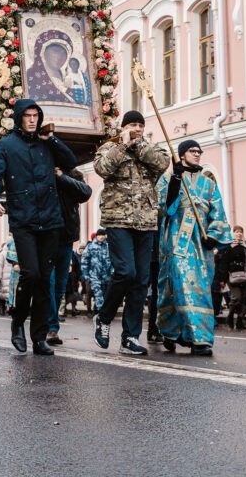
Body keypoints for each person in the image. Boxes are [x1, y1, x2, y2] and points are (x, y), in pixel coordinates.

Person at [0, 99, 77, 356]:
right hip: (23, 220)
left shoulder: (47, 143)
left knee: (45, 279)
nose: (33, 120)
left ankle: (39, 337)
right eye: (27, 115)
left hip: (50, 219)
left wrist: (53, 140)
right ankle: (17, 322)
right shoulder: (6, 145)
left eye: (36, 115)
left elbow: (70, 161)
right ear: (19, 118)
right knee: (31, 274)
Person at [90, 109, 170, 356]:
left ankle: (130, 336)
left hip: (146, 221)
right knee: (126, 272)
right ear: (122, 128)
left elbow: (163, 163)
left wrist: (140, 146)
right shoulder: (110, 148)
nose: (136, 129)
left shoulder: (151, 149)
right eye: (131, 125)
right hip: (118, 220)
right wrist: (124, 145)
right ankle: (104, 317)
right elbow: (102, 168)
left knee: (141, 281)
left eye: (140, 125)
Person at [153, 140, 231, 356]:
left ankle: (185, 333)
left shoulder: (209, 184)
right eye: (192, 151)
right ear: (181, 155)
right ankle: (195, 338)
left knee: (201, 288)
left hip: (201, 243)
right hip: (176, 240)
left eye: (199, 151)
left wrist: (213, 235)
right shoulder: (168, 178)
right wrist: (176, 180)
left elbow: (218, 212)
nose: (197, 154)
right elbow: (164, 209)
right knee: (178, 284)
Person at [50, 166, 92, 345]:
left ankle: (51, 325)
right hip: (46, 235)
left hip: (66, 237)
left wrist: (62, 176)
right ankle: (51, 327)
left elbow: (86, 192)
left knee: (60, 285)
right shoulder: (41, 167)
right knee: (49, 282)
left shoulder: (73, 173)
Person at [80, 229, 111, 313]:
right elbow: (84, 261)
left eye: (103, 235)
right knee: (98, 294)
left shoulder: (108, 246)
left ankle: (98, 312)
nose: (101, 237)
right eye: (100, 235)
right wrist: (86, 275)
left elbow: (113, 261)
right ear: (96, 236)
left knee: (105, 295)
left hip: (106, 276)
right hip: (94, 275)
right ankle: (99, 313)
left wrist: (112, 272)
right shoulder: (90, 246)